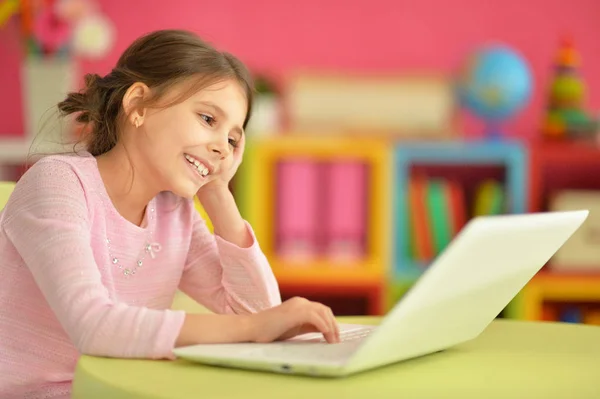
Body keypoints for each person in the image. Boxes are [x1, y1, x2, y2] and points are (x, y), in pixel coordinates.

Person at [0, 29, 340, 399]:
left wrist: (217, 190)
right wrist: (256, 327)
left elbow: (257, 310)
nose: (222, 148)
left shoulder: (174, 210)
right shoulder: (59, 184)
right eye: (208, 119)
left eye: (232, 139)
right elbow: (94, 326)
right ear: (139, 105)